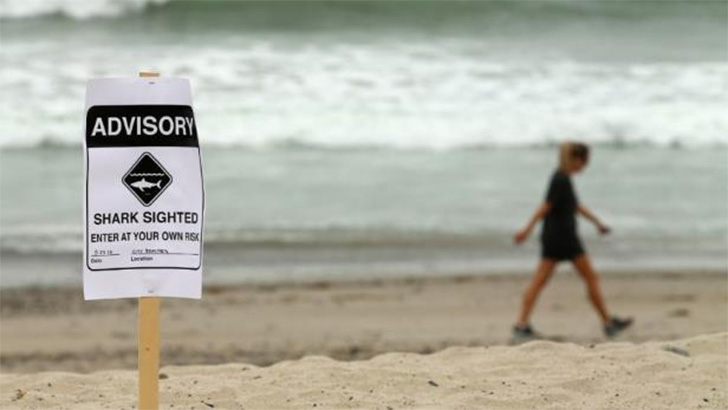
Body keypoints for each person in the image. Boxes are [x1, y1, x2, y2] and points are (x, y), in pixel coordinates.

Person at [513, 141, 632, 340]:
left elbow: (576, 207)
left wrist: (597, 223)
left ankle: (521, 324)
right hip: (563, 238)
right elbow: (545, 207)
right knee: (589, 278)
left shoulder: (563, 179)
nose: (585, 166)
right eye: (584, 161)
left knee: (542, 281)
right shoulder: (560, 180)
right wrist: (526, 230)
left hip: (557, 236)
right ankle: (608, 323)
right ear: (576, 159)